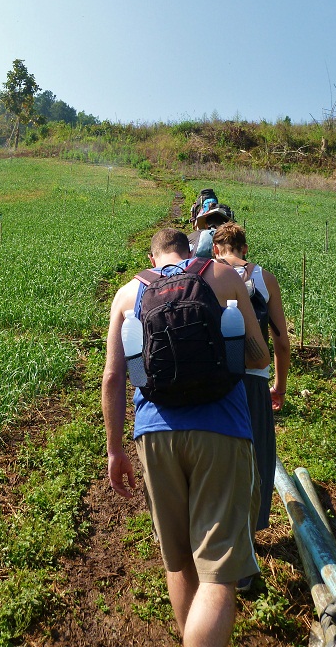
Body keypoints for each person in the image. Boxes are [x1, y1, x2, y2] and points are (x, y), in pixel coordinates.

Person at [102, 228, 270, 647]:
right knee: (219, 573)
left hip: (155, 434)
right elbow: (259, 356)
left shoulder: (127, 295)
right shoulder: (223, 276)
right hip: (222, 429)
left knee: (178, 563)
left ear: (152, 257)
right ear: (189, 249)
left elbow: (114, 378)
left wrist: (115, 449)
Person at [212, 221, 290, 533]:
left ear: (216, 249)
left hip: (218, 380)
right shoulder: (265, 278)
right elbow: (281, 342)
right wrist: (279, 387)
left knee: (218, 454)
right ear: (245, 249)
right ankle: (251, 528)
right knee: (258, 456)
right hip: (255, 378)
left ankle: (217, 527)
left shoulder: (207, 275)